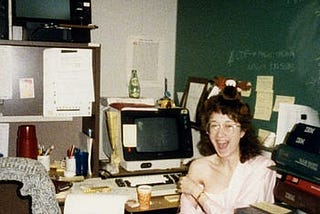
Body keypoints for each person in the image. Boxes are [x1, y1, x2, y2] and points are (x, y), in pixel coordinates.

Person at [178, 80, 276, 214]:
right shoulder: (198, 166)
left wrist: (198, 193)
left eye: (229, 126)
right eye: (214, 125)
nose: (220, 134)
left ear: (242, 131)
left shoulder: (261, 168)